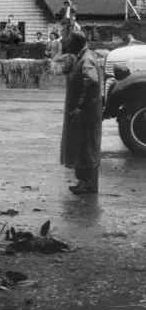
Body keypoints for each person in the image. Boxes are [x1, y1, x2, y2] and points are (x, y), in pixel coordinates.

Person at [60, 31, 102, 194]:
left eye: (70, 43)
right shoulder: (82, 57)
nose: (68, 46)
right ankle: (84, 181)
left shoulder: (86, 60)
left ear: (78, 42)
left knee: (86, 146)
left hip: (85, 113)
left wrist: (80, 106)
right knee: (81, 145)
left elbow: (91, 82)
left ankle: (88, 183)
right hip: (83, 112)